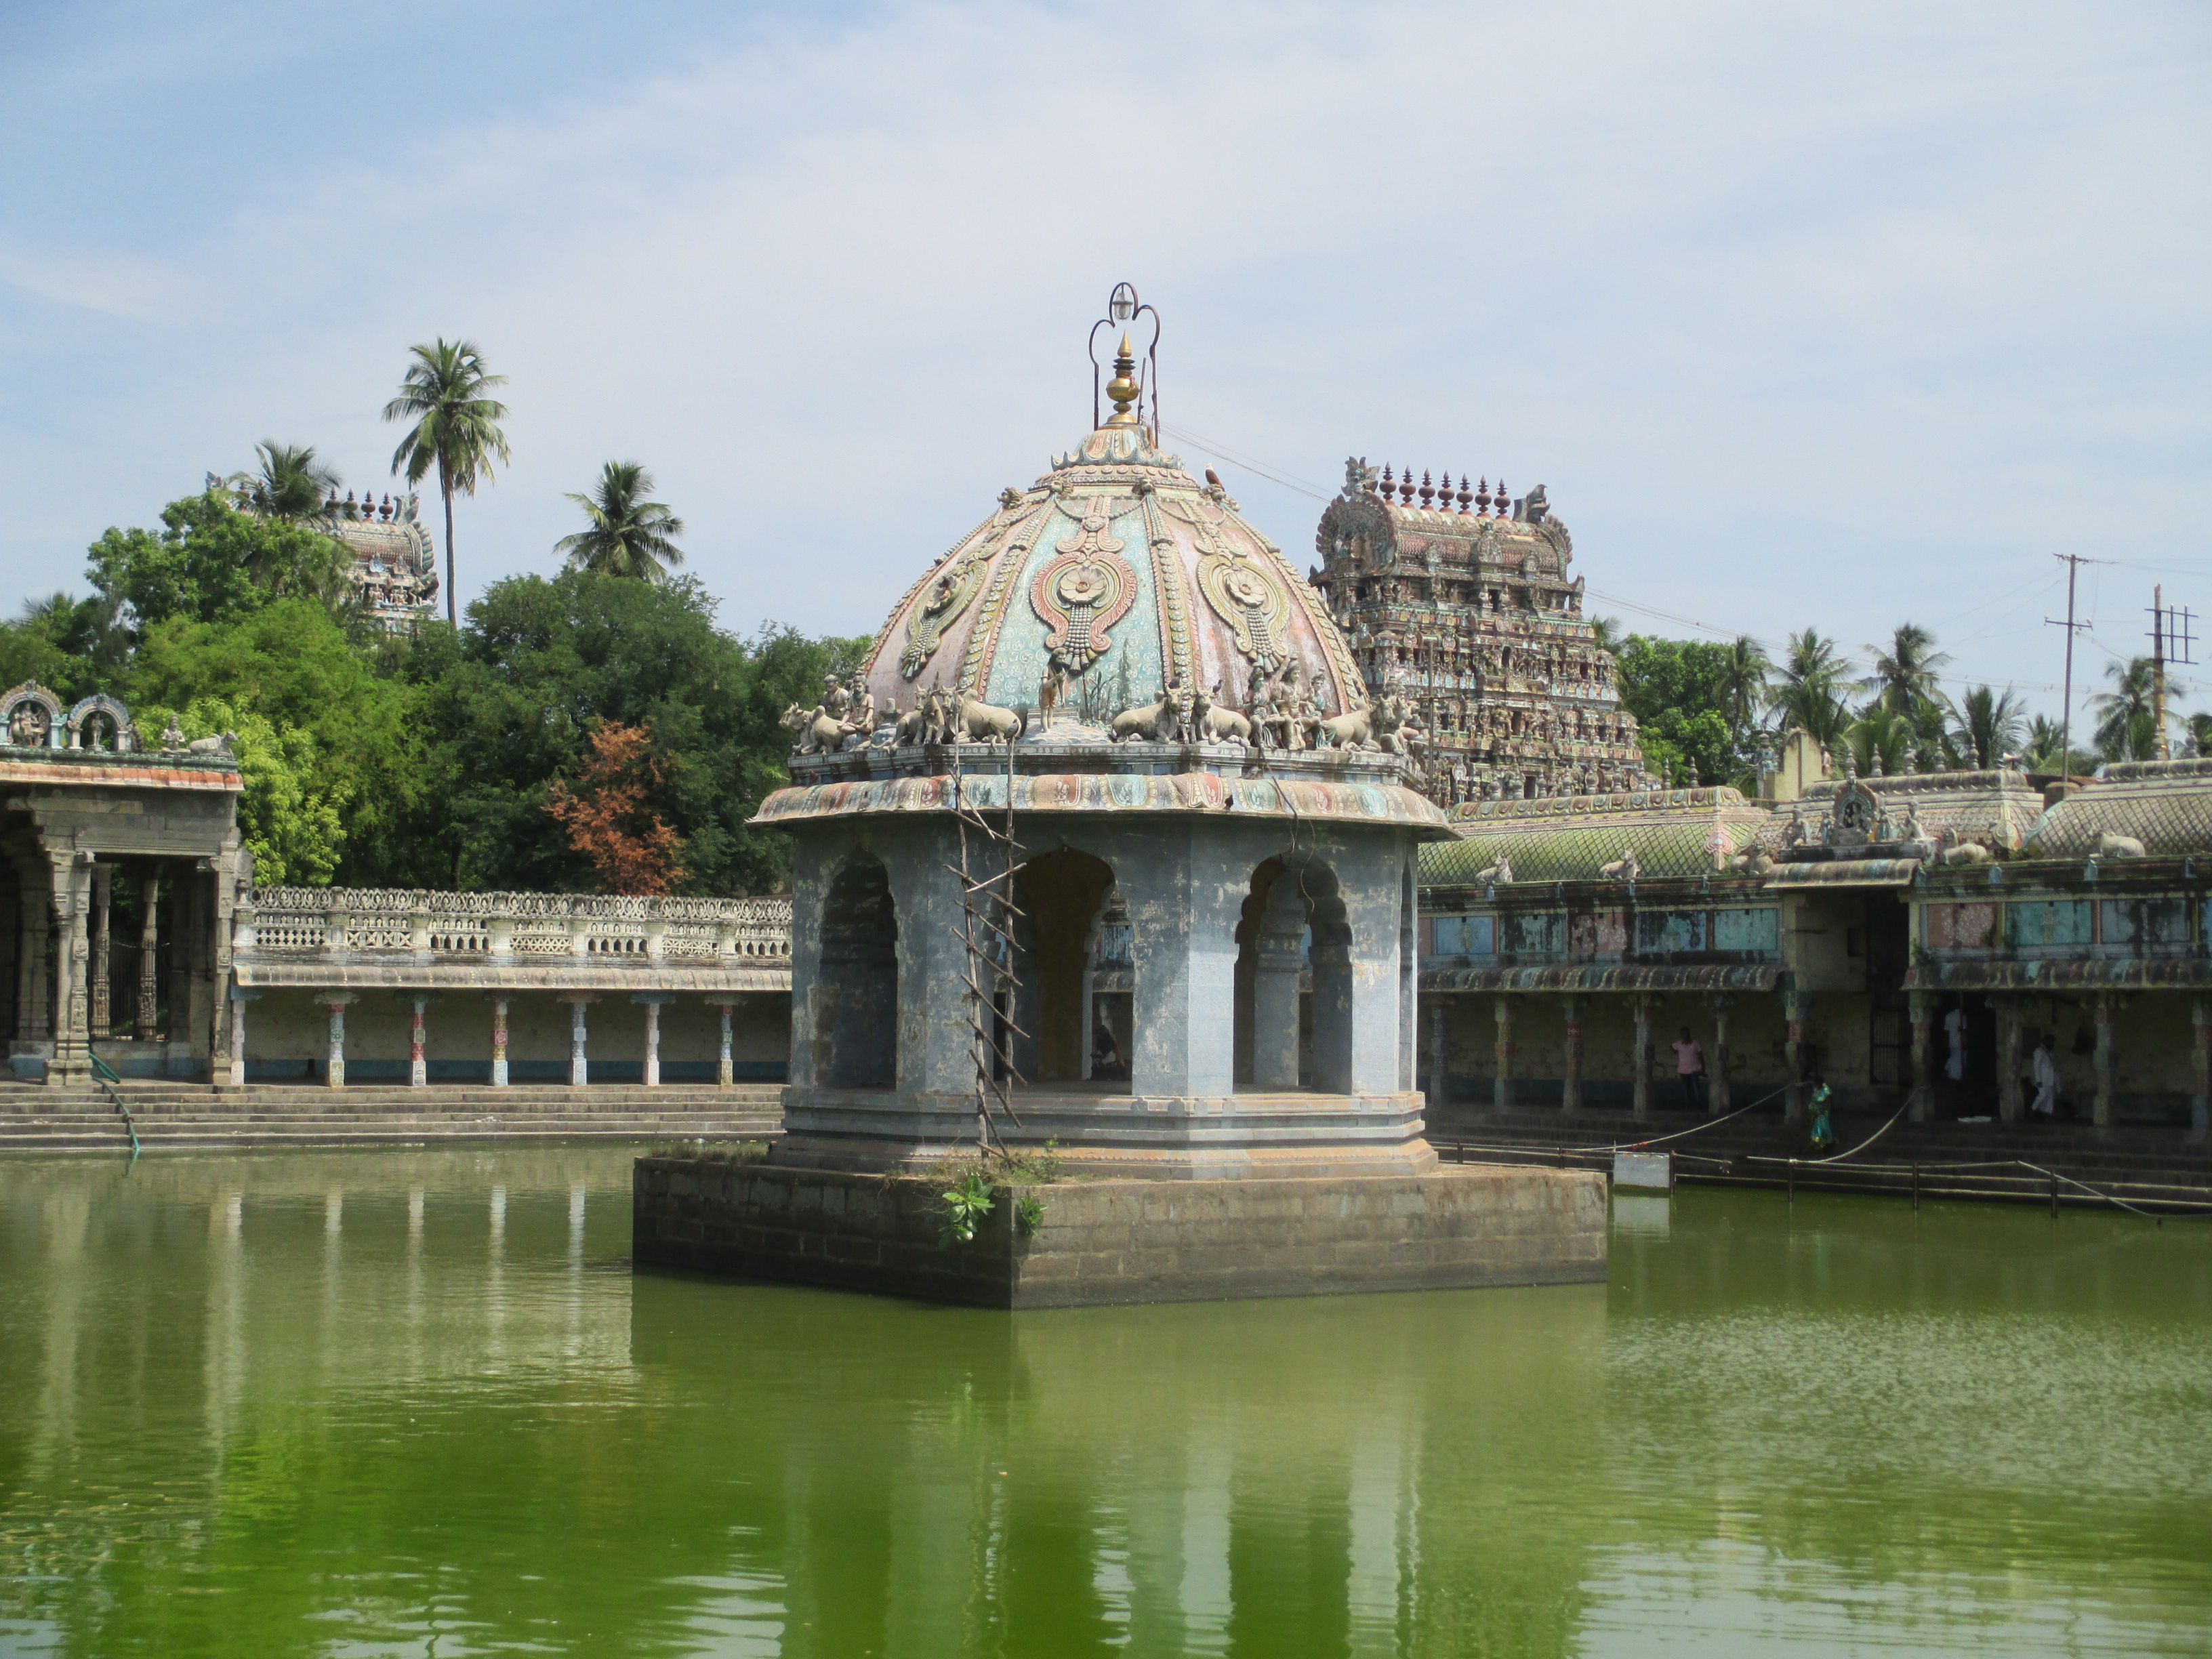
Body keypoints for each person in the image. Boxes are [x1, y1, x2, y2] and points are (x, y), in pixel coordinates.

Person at [1671, 1026, 1706, 1109]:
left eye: (1687, 1033)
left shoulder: (1695, 1043)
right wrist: (1677, 1052)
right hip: (1683, 1070)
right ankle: (1689, 1106)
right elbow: (1672, 1047)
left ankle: (1699, 1106)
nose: (1685, 1035)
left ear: (1689, 1034)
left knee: (1696, 1089)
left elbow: (1701, 1055)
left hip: (1694, 1069)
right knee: (1687, 1089)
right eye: (1683, 1034)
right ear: (1682, 1035)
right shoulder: (1678, 1044)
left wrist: (1703, 1067)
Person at [2030, 1031, 2060, 1119]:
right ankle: (2033, 1109)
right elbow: (2037, 1066)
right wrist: (2038, 1080)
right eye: (2051, 1042)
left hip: (2050, 1079)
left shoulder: (2048, 1052)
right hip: (2043, 1079)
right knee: (2043, 1095)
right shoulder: (2039, 1051)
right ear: (2046, 1042)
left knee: (2050, 1097)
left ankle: (2048, 1113)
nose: (2052, 1044)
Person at [1809, 1076, 1835, 1151]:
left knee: (1822, 1126)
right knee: (1815, 1127)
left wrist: (1820, 1112)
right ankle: (1817, 1145)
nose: (1816, 1086)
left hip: (1823, 1113)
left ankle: (1825, 1144)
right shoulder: (1816, 1089)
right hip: (1815, 1112)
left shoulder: (1826, 1091)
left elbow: (1827, 1104)